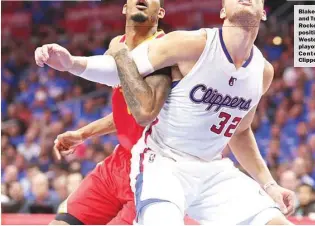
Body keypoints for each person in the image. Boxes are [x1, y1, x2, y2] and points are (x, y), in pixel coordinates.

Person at [36, 0, 296, 224]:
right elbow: (123, 68)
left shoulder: (263, 72)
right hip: (161, 162)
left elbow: (239, 132)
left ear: (263, 12)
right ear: (222, 11)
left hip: (212, 168)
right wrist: (71, 63)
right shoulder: (191, 44)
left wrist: (270, 185)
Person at [35, 0, 172, 224]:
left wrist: (75, 64)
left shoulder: (166, 48)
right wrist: (82, 134)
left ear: (161, 12)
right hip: (120, 162)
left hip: (153, 170)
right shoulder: (117, 45)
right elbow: (128, 113)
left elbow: (145, 112)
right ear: (125, 8)